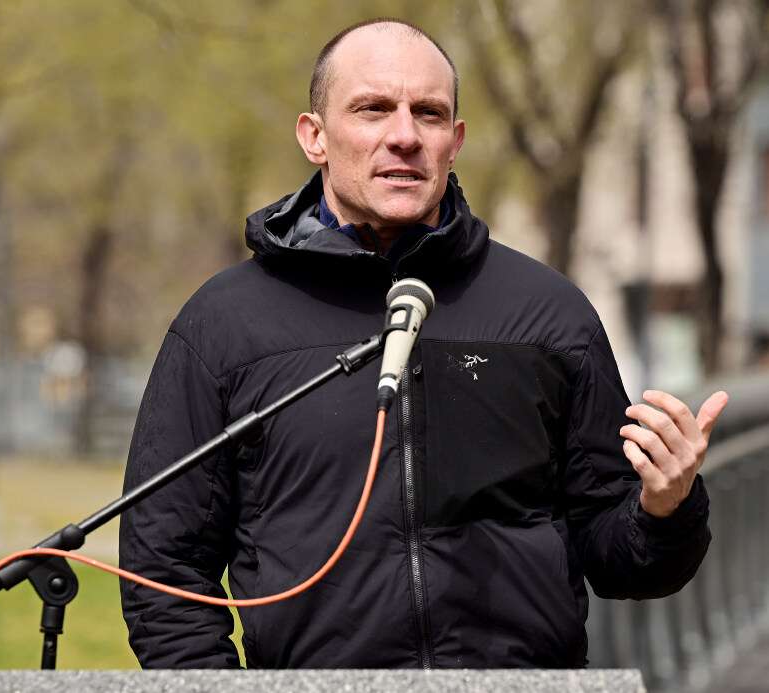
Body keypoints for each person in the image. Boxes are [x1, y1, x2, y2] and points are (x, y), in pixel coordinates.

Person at [119, 18, 728, 669]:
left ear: (455, 141)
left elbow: (623, 561)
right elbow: (163, 571)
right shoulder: (224, 324)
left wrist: (666, 506)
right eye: (373, 108)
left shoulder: (549, 314)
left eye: (429, 114)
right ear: (314, 136)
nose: (404, 136)